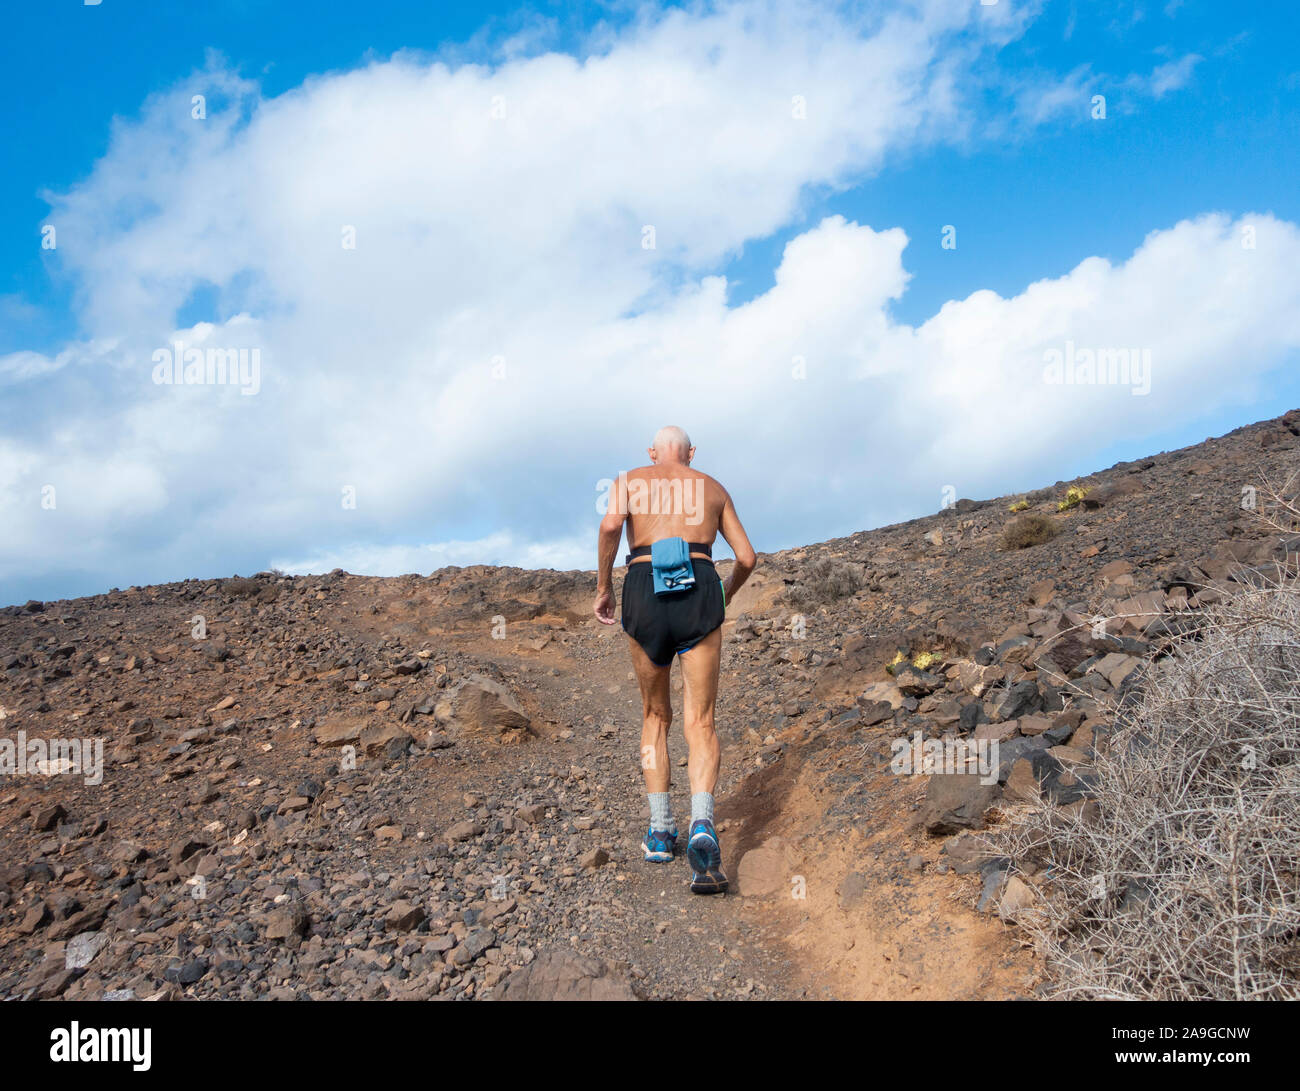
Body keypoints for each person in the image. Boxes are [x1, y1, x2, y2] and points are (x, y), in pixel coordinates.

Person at [594, 426, 757, 893]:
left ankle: (662, 831)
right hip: (700, 587)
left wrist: (605, 588)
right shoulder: (712, 486)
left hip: (644, 585)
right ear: (690, 454)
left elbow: (609, 527)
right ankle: (702, 823)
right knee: (700, 720)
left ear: (652, 453)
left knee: (654, 715)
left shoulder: (631, 479)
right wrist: (722, 596)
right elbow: (746, 556)